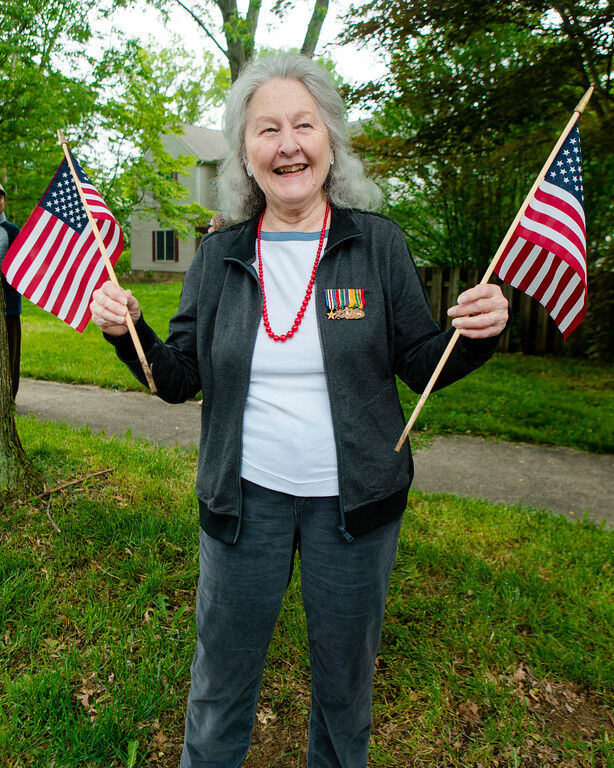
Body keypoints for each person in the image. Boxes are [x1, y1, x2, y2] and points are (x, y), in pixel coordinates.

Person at [91, 53, 509, 768]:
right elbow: (180, 378)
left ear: (330, 141)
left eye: (303, 125)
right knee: (220, 686)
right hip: (241, 505)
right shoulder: (220, 254)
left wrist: (477, 336)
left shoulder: (377, 244)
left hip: (355, 508)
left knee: (345, 692)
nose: (287, 145)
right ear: (246, 155)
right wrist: (129, 335)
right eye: (266, 130)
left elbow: (421, 361)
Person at [0, 183, 22, 399]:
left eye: (0, 197)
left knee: (11, 353)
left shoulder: (13, 231)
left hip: (9, 305)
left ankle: (10, 396)